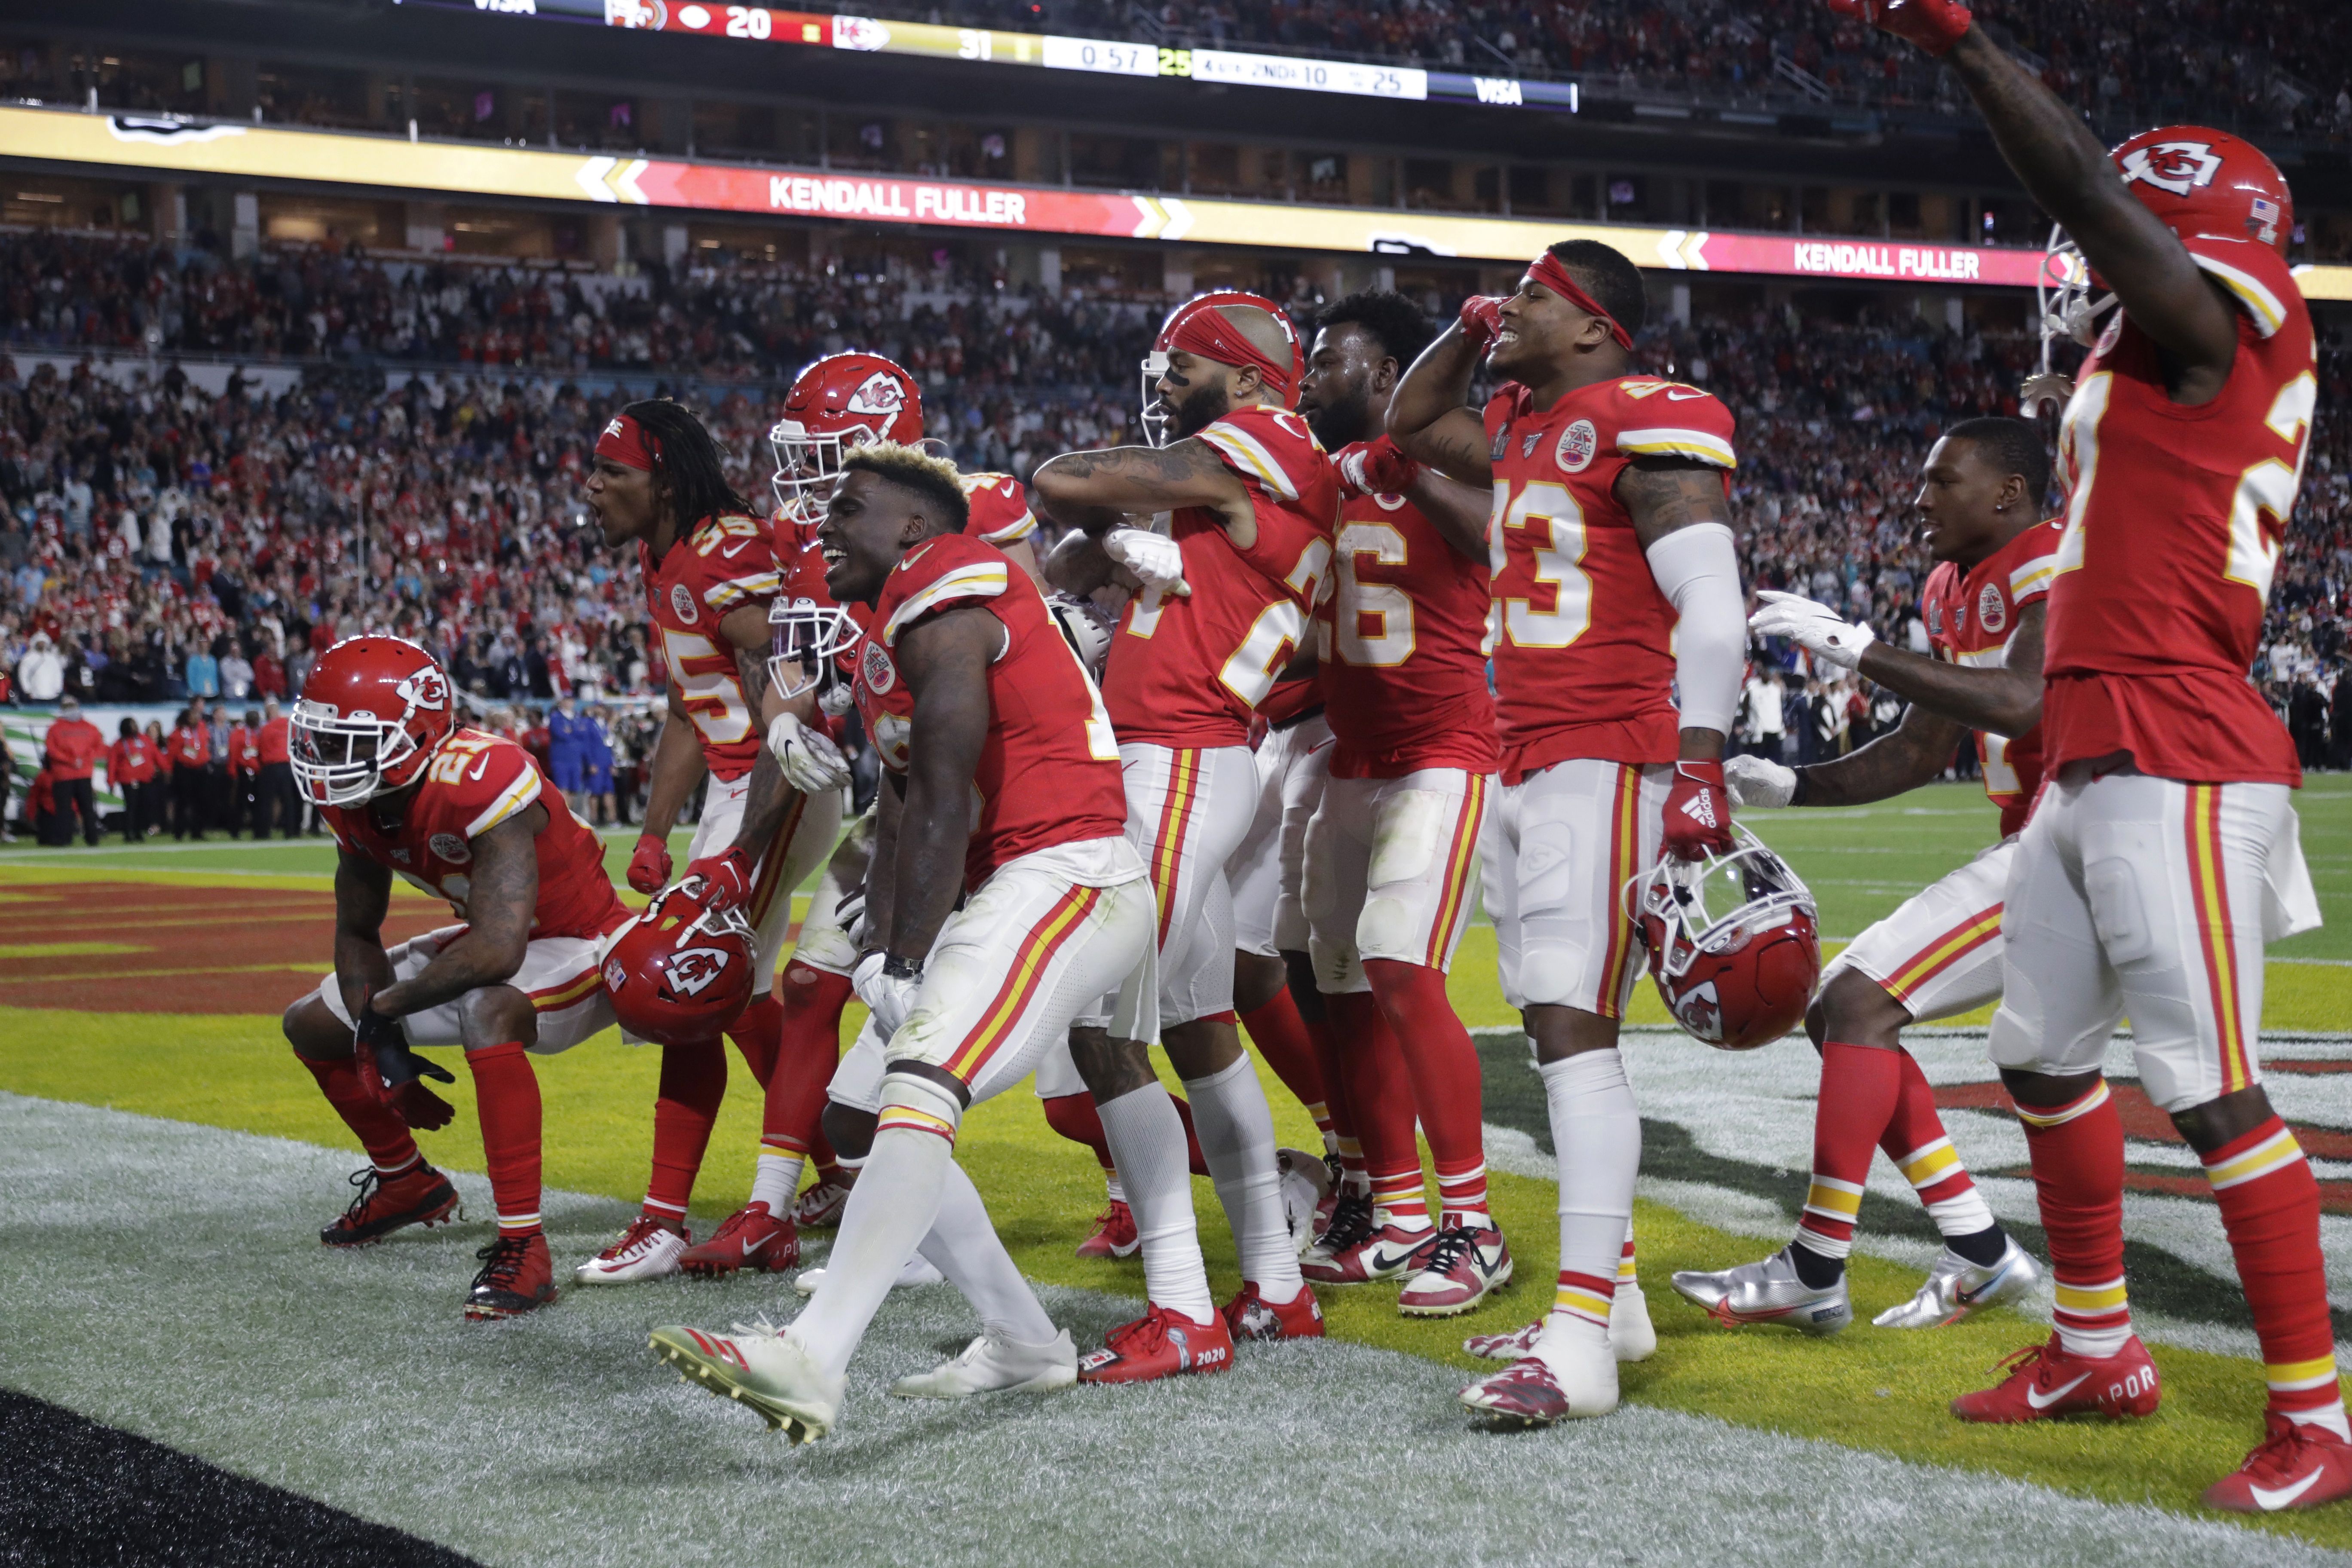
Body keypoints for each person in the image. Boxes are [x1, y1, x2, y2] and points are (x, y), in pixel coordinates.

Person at [1842, 0, 2339, 1510]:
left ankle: (2318, 1414)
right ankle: (2093, 1344)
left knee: (2206, 1085)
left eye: (2125, 228)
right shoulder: (2149, 356)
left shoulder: (2221, 317)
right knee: (2040, 1055)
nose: (2085, 265)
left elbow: (2091, 202)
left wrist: (1964, 46)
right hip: (2097, 739)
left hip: (2180, 738)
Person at [650, 443, 1154, 1441]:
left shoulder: (949, 579)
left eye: (850, 510)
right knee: (871, 1109)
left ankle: (811, 1357)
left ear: (914, 530)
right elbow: (905, 805)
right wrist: (880, 943)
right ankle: (1022, 1339)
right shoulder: (894, 624)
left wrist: (908, 956)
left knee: (922, 1078)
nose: (826, 528)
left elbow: (952, 788)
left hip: (1069, 870)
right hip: (1014, 881)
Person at [1390, 238, 1748, 1424]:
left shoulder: (1645, 419)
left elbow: (1711, 600)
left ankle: (1584, 1340)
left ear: (1597, 327)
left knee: (1573, 1037)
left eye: (1537, 296)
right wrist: (1466, 322)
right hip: (1531, 754)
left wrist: (1699, 765)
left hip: (1611, 757)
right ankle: (1621, 1304)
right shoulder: (1519, 423)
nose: (1513, 309)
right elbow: (1408, 421)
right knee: (1558, 1037)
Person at [1671, 417, 2054, 1334]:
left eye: (1942, 480)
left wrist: (1860, 651)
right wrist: (1797, 786)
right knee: (1849, 1008)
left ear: (2007, 492)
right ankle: (1980, 1251)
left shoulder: (2056, 563)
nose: (1919, 498)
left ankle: (1819, 1265)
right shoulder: (1950, 585)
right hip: (2044, 837)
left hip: (2084, 839)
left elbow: (2029, 701)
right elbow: (1924, 749)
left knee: (1854, 1003)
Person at [1031, 289, 1337, 1379]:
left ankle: (1183, 1310)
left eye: (1182, 370)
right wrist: (1119, 540)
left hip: (1178, 760)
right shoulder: (1267, 464)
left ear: (1246, 380)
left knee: (1098, 1022)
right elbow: (1058, 554)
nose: (1165, 391)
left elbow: (1060, 478)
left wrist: (1112, 520)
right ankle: (1277, 1287)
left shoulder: (1249, 444)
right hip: (1202, 758)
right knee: (1202, 1029)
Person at [1289, 290, 1523, 1320]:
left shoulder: (1448, 457)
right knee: (1334, 981)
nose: (1308, 377)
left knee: (1396, 960)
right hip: (1349, 758)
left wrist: (1409, 468)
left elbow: (1495, 543)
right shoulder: (1314, 481)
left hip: (1442, 751)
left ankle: (1470, 1224)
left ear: (1387, 378)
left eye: (1329, 361)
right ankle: (1391, 1212)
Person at [279, 636, 630, 1319]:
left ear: (416, 730)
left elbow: (499, 952)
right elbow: (357, 931)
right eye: (322, 738)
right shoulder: (359, 801)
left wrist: (383, 1013)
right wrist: (374, 1037)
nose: (328, 759)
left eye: (350, 741)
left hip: (581, 941)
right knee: (313, 1024)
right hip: (492, 942)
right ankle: (406, 1180)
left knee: (486, 1011)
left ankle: (524, 1245)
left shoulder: (484, 774)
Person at [579, 399, 841, 1284]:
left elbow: (794, 680)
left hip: (780, 782)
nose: (595, 485)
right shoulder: (668, 554)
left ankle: (661, 1223)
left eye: (612, 470)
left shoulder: (721, 550)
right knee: (743, 996)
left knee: (679, 986)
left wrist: (743, 843)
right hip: (736, 790)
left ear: (662, 480)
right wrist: (657, 832)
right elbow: (693, 707)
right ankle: (839, 1168)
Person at [41, 694, 105, 847]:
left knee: (65, 810)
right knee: (87, 809)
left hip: (64, 774)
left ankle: (65, 839)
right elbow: (98, 748)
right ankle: (92, 838)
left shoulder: (55, 728)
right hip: (82, 773)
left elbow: (51, 750)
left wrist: (70, 761)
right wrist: (83, 760)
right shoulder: (89, 727)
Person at [107, 716, 160, 842]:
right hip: (128, 780)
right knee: (131, 807)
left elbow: (156, 755)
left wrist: (166, 769)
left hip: (145, 779)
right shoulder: (119, 744)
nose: (135, 727)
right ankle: (128, 833)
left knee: (142, 807)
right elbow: (112, 764)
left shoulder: (144, 740)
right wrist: (111, 781)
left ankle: (138, 832)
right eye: (132, 725)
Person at [254, 698, 298, 839]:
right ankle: (290, 832)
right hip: (282, 766)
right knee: (287, 801)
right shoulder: (287, 724)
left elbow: (260, 749)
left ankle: (264, 832)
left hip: (273, 766)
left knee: (269, 801)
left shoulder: (265, 728)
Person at [546, 692, 594, 817]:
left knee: (573, 790)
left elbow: (582, 736)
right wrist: (575, 733)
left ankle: (569, 817)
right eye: (566, 700)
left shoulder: (578, 718)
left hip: (576, 760)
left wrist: (572, 733)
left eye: (571, 700)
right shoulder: (556, 717)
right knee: (563, 789)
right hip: (561, 759)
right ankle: (562, 818)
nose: (569, 702)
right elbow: (561, 734)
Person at [168, 704, 210, 840]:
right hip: (184, 770)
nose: (196, 719)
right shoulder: (178, 733)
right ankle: (179, 832)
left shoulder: (202, 729)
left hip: (201, 769)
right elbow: (173, 753)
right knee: (183, 802)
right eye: (193, 716)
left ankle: (197, 832)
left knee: (201, 802)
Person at [230, 707, 263, 838]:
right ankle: (235, 831)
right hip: (243, 772)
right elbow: (234, 753)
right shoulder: (239, 733)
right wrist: (233, 772)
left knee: (258, 803)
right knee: (240, 803)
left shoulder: (260, 733)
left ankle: (258, 831)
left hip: (258, 772)